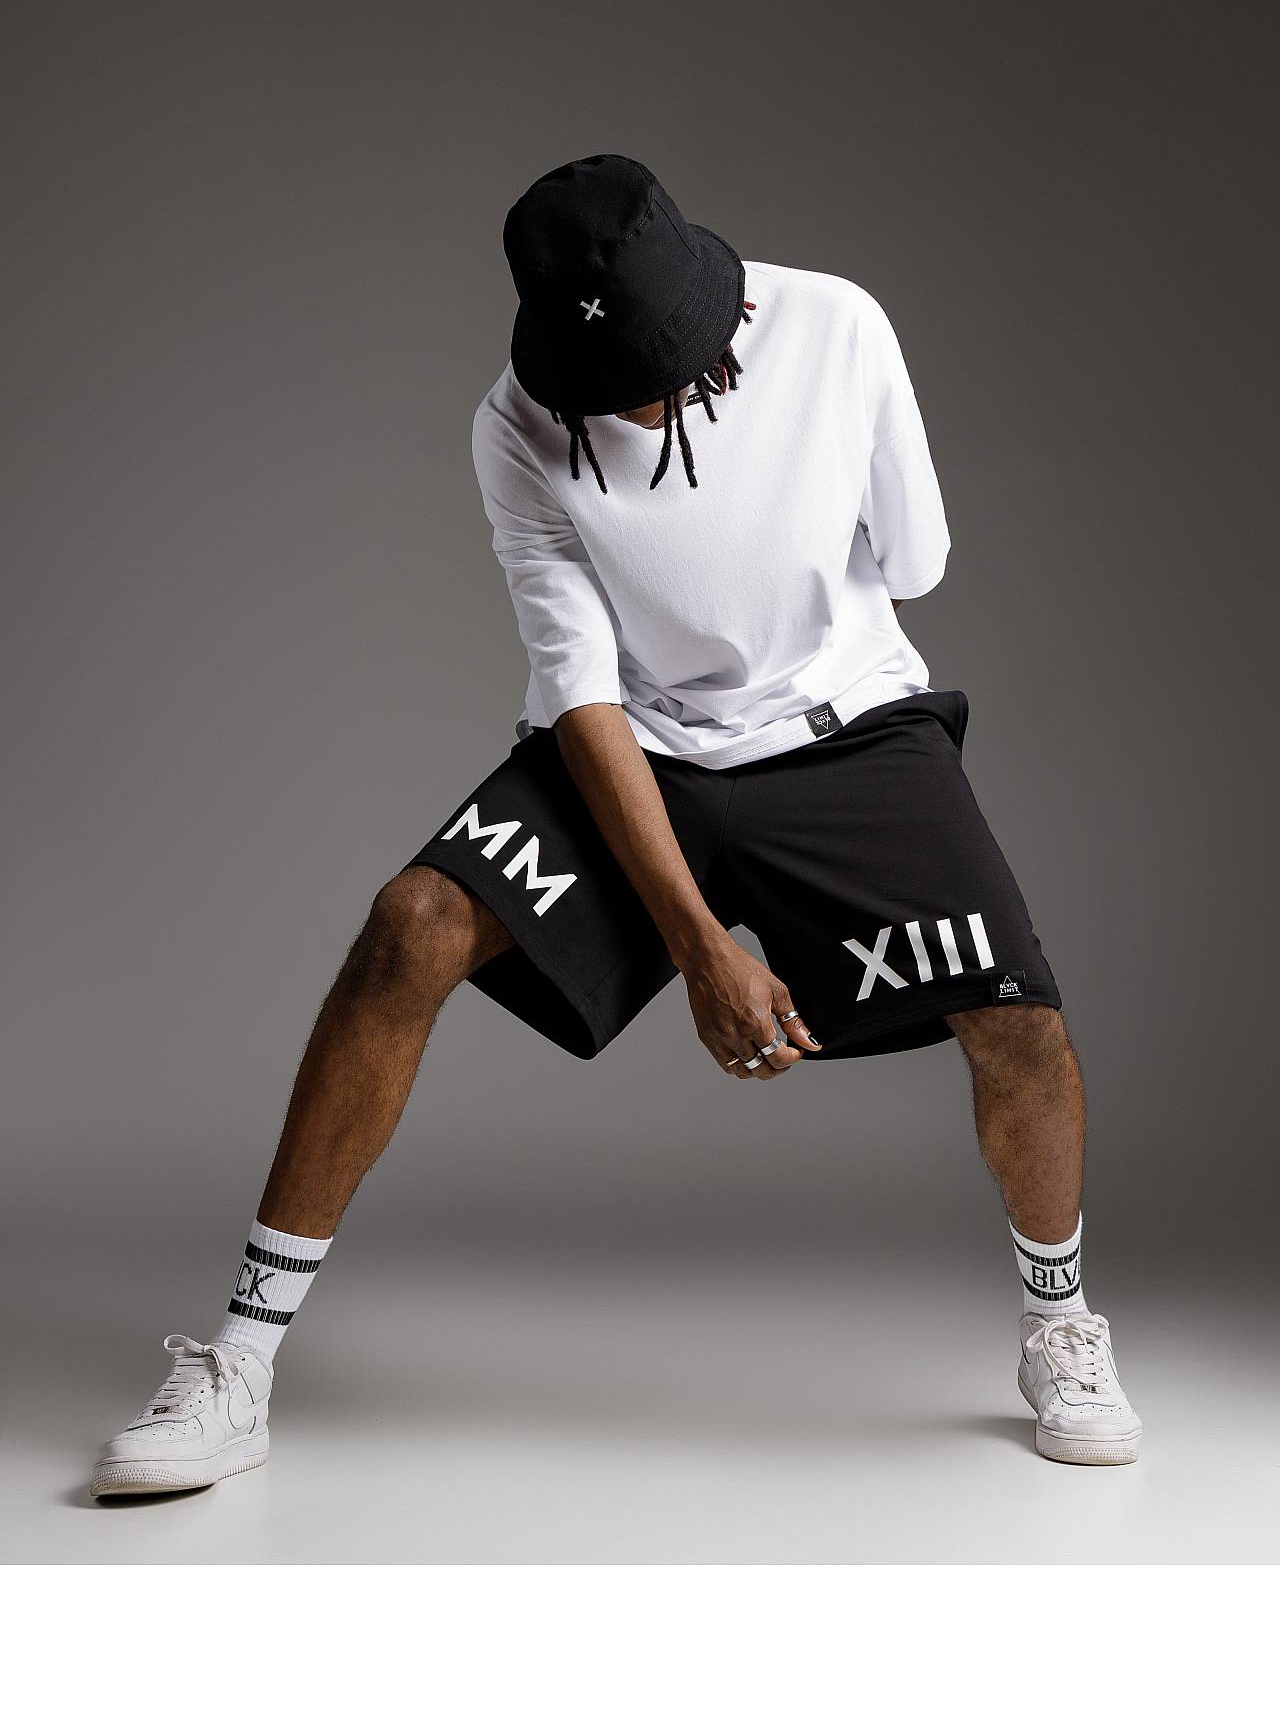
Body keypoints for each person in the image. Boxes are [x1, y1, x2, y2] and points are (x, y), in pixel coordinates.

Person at [90, 153, 1140, 1496]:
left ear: (714, 310)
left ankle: (1060, 1323)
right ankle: (238, 1363)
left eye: (662, 370)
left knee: (1020, 1019)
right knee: (411, 925)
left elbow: (918, 565)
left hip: (848, 732)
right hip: (635, 747)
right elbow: (580, 691)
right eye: (610, 385)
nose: (640, 404)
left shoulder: (837, 325)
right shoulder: (514, 424)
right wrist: (698, 943)